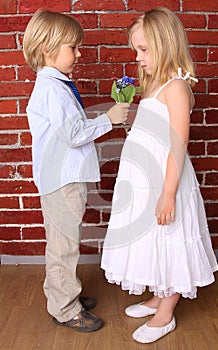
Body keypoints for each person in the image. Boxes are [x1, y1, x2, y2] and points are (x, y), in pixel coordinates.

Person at [101, 7, 218, 344]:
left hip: (168, 181)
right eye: (136, 50)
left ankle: (166, 312)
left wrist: (168, 192)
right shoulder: (154, 85)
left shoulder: (177, 87)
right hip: (145, 181)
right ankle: (156, 295)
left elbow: (178, 142)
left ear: (165, 44)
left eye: (143, 50)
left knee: (169, 239)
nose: (138, 58)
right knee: (151, 238)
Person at [23, 9, 129, 333]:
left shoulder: (57, 85)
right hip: (62, 182)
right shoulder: (52, 90)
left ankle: (65, 295)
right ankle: (65, 308)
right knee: (63, 246)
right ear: (47, 48)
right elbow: (74, 133)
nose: (79, 54)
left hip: (65, 179)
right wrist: (108, 119)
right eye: (73, 47)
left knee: (64, 242)